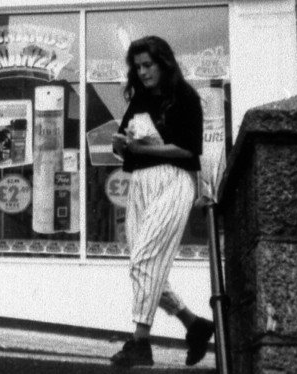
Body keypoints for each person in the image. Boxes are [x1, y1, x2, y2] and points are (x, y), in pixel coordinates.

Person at [109, 36, 214, 368]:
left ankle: (141, 342)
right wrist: (122, 145)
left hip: (173, 180)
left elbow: (188, 149)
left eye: (147, 65)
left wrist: (141, 149)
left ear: (163, 63)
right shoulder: (139, 101)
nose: (142, 72)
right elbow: (125, 146)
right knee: (145, 265)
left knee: (144, 260)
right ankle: (193, 324)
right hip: (140, 182)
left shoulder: (185, 97)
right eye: (137, 67)